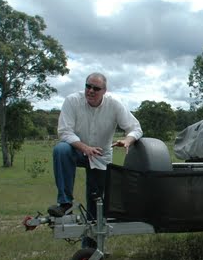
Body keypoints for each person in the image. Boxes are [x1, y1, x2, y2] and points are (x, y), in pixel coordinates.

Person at [48, 72, 143, 219]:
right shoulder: (72, 101)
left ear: (104, 91)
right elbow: (65, 132)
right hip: (77, 150)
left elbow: (135, 128)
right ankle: (65, 204)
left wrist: (127, 140)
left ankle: (90, 240)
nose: (91, 91)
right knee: (61, 149)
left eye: (96, 88)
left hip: (100, 155)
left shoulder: (115, 104)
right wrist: (85, 148)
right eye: (88, 86)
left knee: (96, 201)